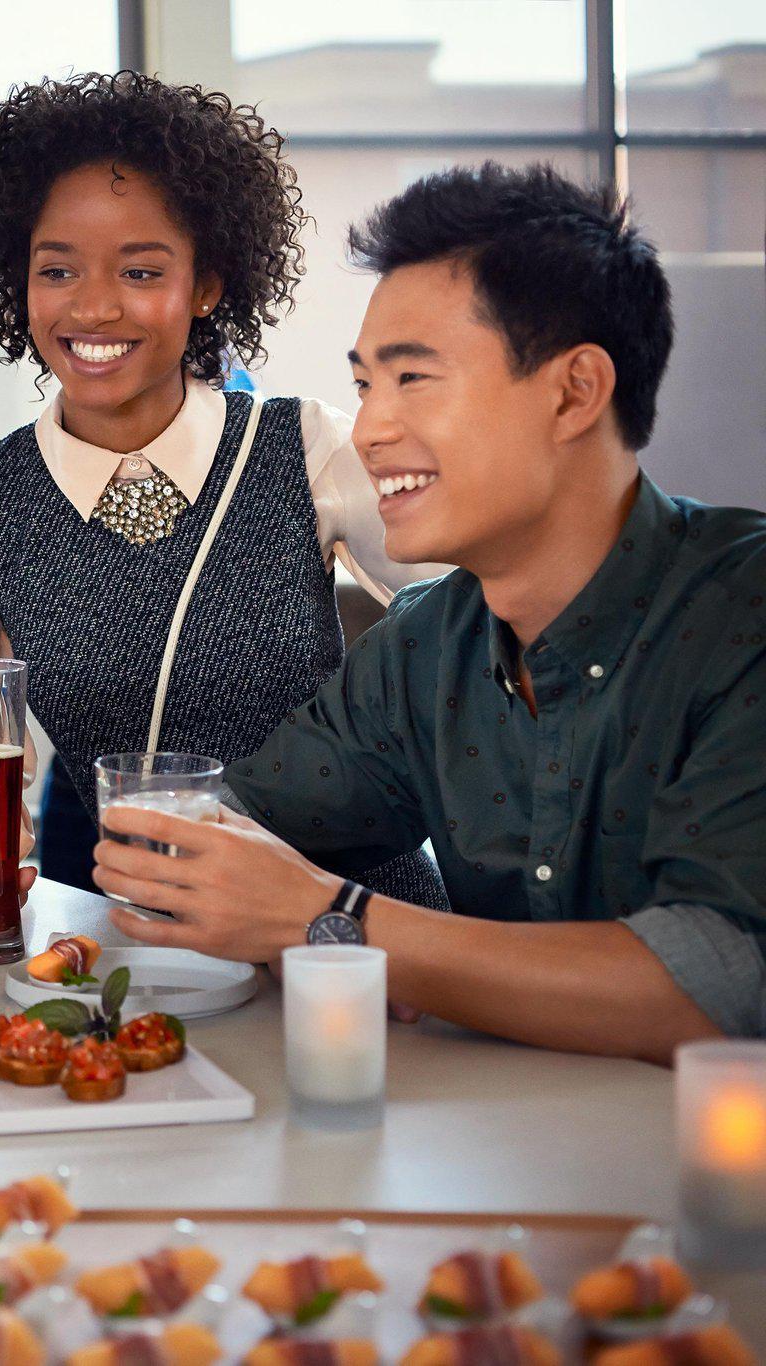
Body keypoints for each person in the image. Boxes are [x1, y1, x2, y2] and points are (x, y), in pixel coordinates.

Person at [94, 163, 766, 1061]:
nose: (369, 430)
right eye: (367, 386)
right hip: (500, 1161)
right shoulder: (423, 645)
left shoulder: (743, 614)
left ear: (575, 392)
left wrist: (336, 923)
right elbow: (229, 848)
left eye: (413, 379)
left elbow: (712, 992)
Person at [0, 73, 445, 960]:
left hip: (354, 936)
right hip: (153, 949)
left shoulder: (308, 450)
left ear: (207, 285)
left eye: (141, 271)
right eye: (58, 269)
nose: (94, 306)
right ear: (16, 281)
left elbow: (468, 610)